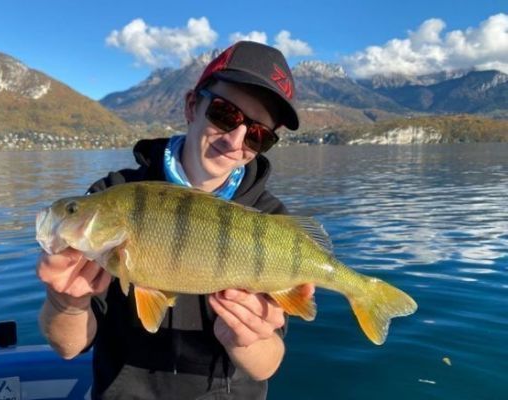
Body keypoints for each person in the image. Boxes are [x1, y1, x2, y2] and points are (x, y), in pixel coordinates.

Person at [37, 41, 314, 399]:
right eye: (225, 114)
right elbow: (69, 347)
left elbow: (267, 364)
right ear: (191, 106)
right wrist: (66, 303)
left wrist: (248, 339)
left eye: (259, 135)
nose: (235, 141)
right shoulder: (113, 194)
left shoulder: (270, 221)